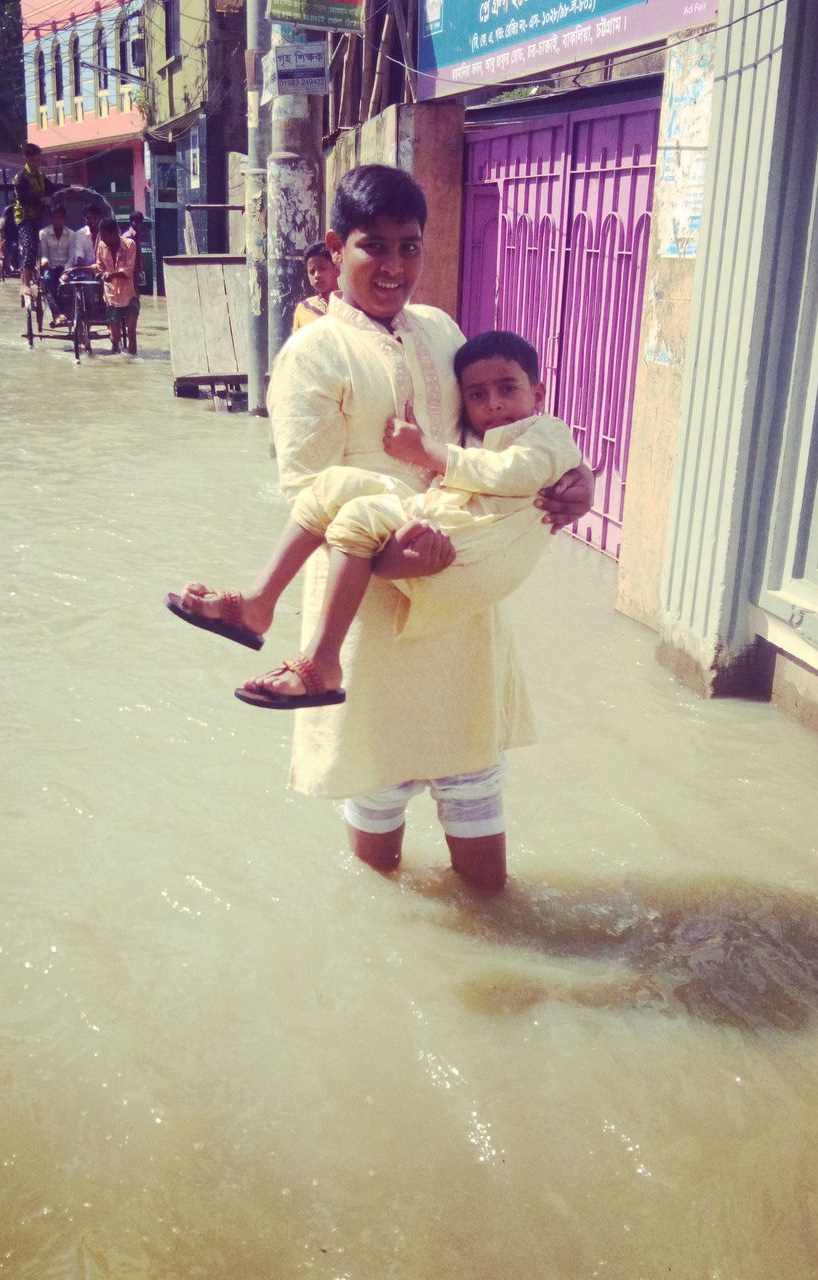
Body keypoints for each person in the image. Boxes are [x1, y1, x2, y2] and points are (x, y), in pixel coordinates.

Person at [169, 164, 593, 892]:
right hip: (364, 609)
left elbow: (499, 438)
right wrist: (389, 560)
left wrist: (574, 481)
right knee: (378, 819)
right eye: (374, 247)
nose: (394, 267)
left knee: (475, 794)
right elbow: (305, 491)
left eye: (409, 247)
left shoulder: (440, 329)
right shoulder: (310, 354)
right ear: (336, 248)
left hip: (458, 600)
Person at [169, 329, 581, 713]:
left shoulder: (547, 432)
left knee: (360, 517)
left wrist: (423, 448)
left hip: (479, 553)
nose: (493, 403)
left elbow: (512, 474)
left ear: (538, 392)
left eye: (507, 388)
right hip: (450, 527)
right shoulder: (476, 435)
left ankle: (323, 661)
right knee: (333, 485)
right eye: (477, 394)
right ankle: (257, 604)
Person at [13, 142, 59, 293]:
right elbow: (23, 198)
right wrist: (42, 200)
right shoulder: (21, 177)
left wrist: (55, 195)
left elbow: (52, 188)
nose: (37, 163)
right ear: (27, 159)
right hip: (25, 218)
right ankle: (25, 284)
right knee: (30, 246)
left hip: (40, 216)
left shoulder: (40, 175)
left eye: (39, 160)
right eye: (34, 160)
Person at [95, 216, 139, 354]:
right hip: (111, 297)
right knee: (115, 338)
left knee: (131, 333)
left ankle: (132, 360)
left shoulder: (130, 244)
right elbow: (99, 266)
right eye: (102, 236)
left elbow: (129, 269)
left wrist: (112, 275)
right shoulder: (102, 245)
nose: (103, 240)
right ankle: (116, 357)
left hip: (130, 294)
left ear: (115, 233)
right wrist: (83, 269)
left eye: (106, 236)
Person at [38, 202, 77, 327]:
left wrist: (66, 270)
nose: (57, 220)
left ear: (64, 218)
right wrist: (44, 261)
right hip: (51, 266)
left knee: (73, 283)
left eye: (60, 217)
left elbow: (72, 255)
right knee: (49, 279)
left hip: (67, 267)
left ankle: (73, 310)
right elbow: (44, 253)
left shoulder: (71, 234)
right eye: (55, 217)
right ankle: (58, 311)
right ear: (51, 218)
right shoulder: (44, 233)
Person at [292, 241, 339, 330]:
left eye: (322, 269)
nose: (316, 275)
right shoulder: (304, 308)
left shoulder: (351, 305)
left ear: (337, 270)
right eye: (312, 271)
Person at [73, 201, 105, 267]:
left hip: (104, 270)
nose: (92, 220)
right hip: (86, 271)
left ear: (100, 218)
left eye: (95, 217)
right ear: (84, 219)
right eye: (88, 218)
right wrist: (90, 271)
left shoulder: (106, 232)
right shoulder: (79, 234)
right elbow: (79, 256)